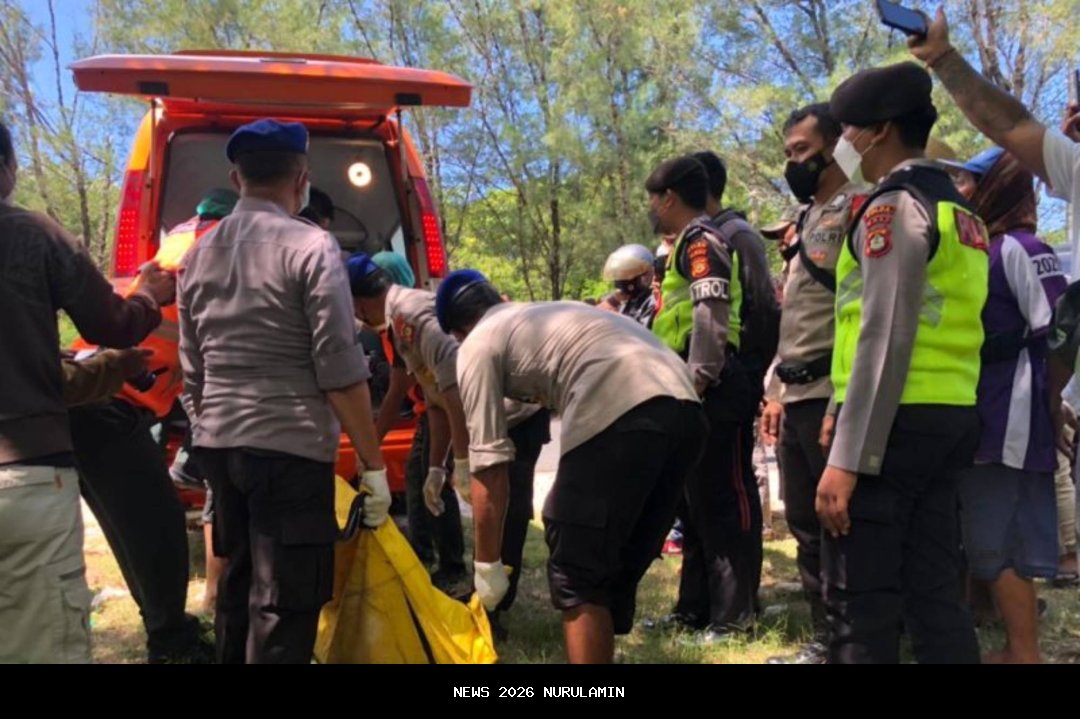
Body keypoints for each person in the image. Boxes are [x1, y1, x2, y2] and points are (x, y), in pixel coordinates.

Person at [179, 119, 388, 664]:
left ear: (236, 176)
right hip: (290, 452)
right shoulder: (312, 246)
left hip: (221, 447)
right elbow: (339, 368)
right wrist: (372, 465)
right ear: (301, 178)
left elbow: (192, 371)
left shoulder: (197, 257)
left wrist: (210, 435)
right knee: (283, 603)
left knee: (236, 592)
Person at [436, 270, 706, 663]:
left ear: (457, 331)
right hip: (687, 409)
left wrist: (487, 564)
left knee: (577, 567)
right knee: (613, 560)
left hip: (622, 401)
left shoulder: (476, 345)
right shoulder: (536, 315)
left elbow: (490, 468)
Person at [815, 62, 988, 664]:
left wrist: (847, 459)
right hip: (950, 414)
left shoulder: (894, 208)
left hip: (893, 427)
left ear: (878, 132)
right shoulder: (962, 214)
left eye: (847, 129)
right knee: (936, 591)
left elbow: (882, 334)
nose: (842, 143)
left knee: (860, 600)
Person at [0, 118, 174, 663]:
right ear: (8, 170)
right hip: (24, 474)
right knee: (41, 644)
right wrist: (147, 295)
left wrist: (106, 370)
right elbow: (114, 324)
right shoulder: (31, 234)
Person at [69, 187, 238, 661]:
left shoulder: (181, 241)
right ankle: (173, 645)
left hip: (90, 399)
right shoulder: (219, 244)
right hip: (106, 402)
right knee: (157, 526)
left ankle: (169, 632)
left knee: (135, 530)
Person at [947, 147, 1068, 663]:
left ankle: (1023, 654)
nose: (959, 193)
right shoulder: (979, 250)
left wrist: (1052, 400)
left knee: (1001, 538)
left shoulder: (1019, 247)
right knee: (982, 534)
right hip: (980, 414)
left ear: (1000, 185)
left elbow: (1063, 328)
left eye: (970, 183)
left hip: (1009, 417)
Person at [761, 103, 867, 664]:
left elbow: (861, 310)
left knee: (838, 522)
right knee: (802, 517)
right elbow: (795, 314)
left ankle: (851, 636)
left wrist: (841, 399)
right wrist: (776, 390)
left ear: (835, 148)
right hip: (795, 392)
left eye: (802, 150)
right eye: (788, 154)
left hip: (833, 392)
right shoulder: (804, 220)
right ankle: (825, 631)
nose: (794, 163)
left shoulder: (860, 208)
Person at [647, 155, 762, 640]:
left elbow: (710, 317)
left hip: (713, 386)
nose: (650, 209)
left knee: (722, 501)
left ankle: (734, 617)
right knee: (692, 506)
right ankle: (693, 608)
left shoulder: (702, 241)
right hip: (691, 385)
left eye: (652, 200)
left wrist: (697, 382)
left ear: (669, 198)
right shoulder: (682, 245)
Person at [908, 8, 1080, 281]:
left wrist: (941, 55)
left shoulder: (1021, 249)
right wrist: (940, 55)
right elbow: (1011, 125)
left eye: (965, 180)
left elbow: (1012, 126)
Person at [348, 252, 471, 590]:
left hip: (479, 410)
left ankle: (456, 573)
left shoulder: (409, 315)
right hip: (441, 411)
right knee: (421, 478)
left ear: (358, 302)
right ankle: (426, 563)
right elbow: (424, 393)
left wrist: (461, 459)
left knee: (444, 490)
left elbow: (454, 384)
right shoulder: (396, 322)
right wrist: (370, 446)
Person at [599, 244, 658, 328]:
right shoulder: (623, 301)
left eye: (626, 274)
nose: (622, 279)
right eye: (620, 274)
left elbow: (642, 332)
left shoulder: (652, 301)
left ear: (644, 274)